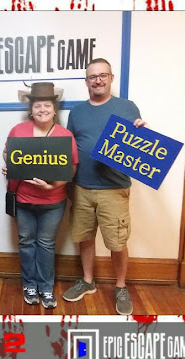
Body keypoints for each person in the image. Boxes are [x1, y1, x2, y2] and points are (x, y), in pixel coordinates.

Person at [62, 58, 148, 315]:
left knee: (117, 242)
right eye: (92, 77)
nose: (97, 80)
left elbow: (138, 145)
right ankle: (88, 281)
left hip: (114, 187)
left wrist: (142, 132)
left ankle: (120, 286)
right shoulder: (77, 112)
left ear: (111, 78)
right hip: (81, 187)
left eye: (102, 75)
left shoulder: (127, 107)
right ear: (86, 82)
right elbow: (69, 147)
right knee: (85, 236)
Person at [3, 82, 78, 309]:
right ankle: (29, 285)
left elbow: (72, 168)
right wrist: (11, 165)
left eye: (47, 105)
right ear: (31, 109)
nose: (42, 109)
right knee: (26, 242)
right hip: (23, 199)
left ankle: (46, 287)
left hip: (53, 202)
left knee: (46, 244)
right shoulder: (18, 131)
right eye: (37, 105)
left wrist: (52, 187)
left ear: (54, 110)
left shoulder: (65, 135)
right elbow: (6, 152)